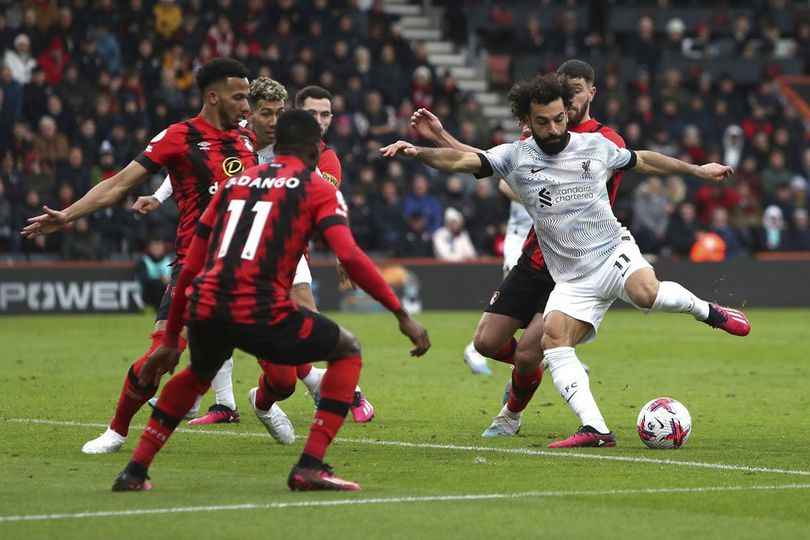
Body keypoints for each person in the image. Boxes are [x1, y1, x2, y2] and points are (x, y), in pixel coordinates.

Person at [382, 73, 750, 448]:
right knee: (553, 340)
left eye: (559, 118)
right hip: (569, 277)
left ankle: (709, 312)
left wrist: (696, 170)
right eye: (543, 122)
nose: (554, 128)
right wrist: (419, 152)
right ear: (528, 121)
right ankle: (596, 429)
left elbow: (643, 161)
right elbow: (463, 159)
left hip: (610, 252)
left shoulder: (596, 145)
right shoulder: (518, 155)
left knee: (645, 293)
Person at [112, 111, 430, 492]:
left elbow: (192, 261)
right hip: (260, 306)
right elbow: (352, 256)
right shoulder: (318, 187)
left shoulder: (235, 182)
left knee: (197, 373)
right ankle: (310, 466)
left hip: (208, 303)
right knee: (347, 349)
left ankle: (134, 471)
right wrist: (400, 313)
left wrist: (169, 338)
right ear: (315, 149)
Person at [22, 58, 259, 454]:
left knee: (285, 360)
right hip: (196, 267)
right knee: (163, 355)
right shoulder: (178, 136)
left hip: (249, 267)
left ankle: (269, 405)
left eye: (248, 97)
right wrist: (67, 215)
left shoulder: (247, 139)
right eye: (239, 97)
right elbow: (118, 185)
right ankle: (116, 432)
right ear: (213, 97)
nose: (246, 106)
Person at [135, 80, 376, 425]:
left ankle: (327, 383)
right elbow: (196, 164)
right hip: (237, 242)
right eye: (311, 113)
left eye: (325, 115)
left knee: (302, 312)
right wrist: (158, 197)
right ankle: (223, 401)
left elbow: (324, 203)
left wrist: (341, 250)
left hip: (284, 245)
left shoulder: (314, 153)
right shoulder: (239, 138)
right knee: (220, 315)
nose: (318, 121)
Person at [410, 60, 624, 425]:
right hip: (534, 258)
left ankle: (511, 414)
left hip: (574, 267)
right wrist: (441, 138)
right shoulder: (540, 136)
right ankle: (541, 363)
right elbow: (489, 162)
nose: (570, 98)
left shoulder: (603, 143)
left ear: (591, 92)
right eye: (564, 90)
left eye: (576, 90)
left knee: (527, 353)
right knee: (485, 343)